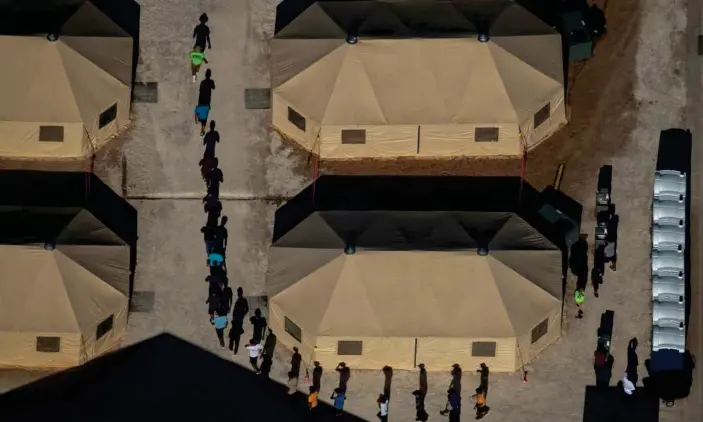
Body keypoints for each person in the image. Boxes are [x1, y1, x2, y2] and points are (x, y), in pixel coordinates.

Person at [229, 287, 249, 353]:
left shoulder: (243, 300)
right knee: (235, 332)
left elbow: (247, 309)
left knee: (235, 333)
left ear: (240, 293)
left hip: (238, 319)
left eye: (238, 292)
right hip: (237, 319)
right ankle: (233, 347)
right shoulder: (241, 300)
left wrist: (243, 314)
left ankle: (233, 347)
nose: (237, 293)